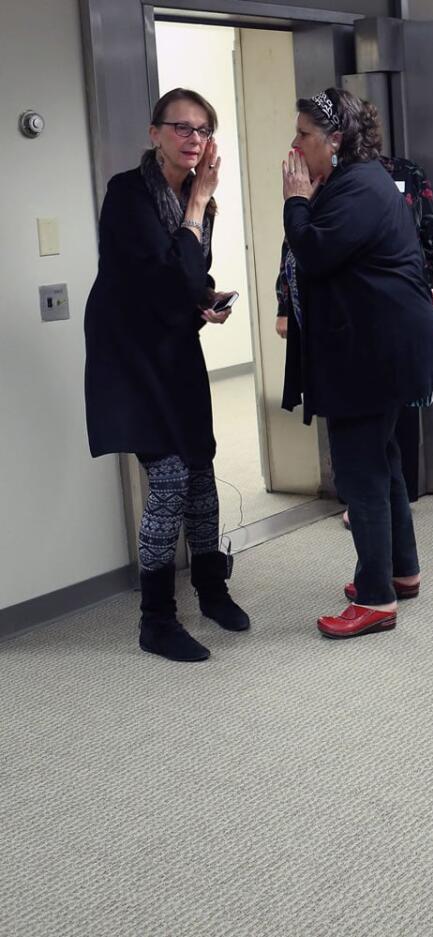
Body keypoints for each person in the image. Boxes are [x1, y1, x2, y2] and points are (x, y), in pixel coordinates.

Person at [84, 88, 250, 664]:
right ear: (154, 133)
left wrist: (205, 298)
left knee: (201, 468)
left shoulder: (197, 197)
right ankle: (155, 619)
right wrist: (199, 204)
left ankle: (211, 588)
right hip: (130, 354)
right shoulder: (128, 194)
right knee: (171, 478)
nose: (192, 138)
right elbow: (155, 279)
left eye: (202, 129)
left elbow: (185, 274)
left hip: (173, 344)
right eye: (180, 127)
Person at [280, 88, 433, 639]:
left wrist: (295, 201)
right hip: (381, 347)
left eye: (304, 134)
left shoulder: (355, 187)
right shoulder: (360, 180)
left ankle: (375, 600)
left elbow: (315, 252)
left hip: (371, 354)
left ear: (335, 140)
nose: (295, 145)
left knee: (361, 473)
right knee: (385, 459)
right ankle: (401, 570)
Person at [276, 154, 433, 518]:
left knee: (395, 424)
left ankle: (390, 503)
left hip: (397, 312)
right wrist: (284, 303)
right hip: (350, 321)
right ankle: (370, 503)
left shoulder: (403, 173)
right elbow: (297, 247)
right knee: (363, 437)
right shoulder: (323, 181)